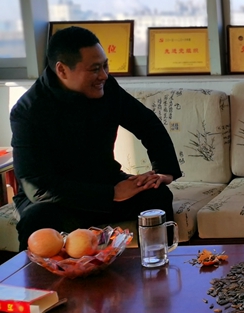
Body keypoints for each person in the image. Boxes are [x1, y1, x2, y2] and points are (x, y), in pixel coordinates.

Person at [11, 26, 181, 250]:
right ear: (62, 70)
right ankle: (37, 276)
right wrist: (111, 194)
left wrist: (165, 171)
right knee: (37, 221)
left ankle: (158, 265)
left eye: (105, 66)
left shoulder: (107, 88)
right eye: (95, 69)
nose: (104, 75)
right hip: (57, 200)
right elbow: (38, 187)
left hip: (105, 181)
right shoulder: (28, 111)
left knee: (157, 197)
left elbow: (146, 123)